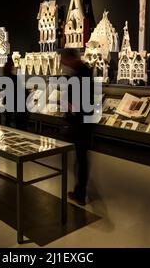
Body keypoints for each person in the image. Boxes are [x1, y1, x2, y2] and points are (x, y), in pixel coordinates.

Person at [61, 48, 93, 206]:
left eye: (64, 60)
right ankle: (80, 190)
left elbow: (80, 100)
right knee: (81, 158)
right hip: (81, 121)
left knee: (81, 158)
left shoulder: (82, 73)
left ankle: (80, 193)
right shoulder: (82, 71)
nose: (62, 63)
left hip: (81, 123)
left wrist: (71, 110)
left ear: (70, 59)